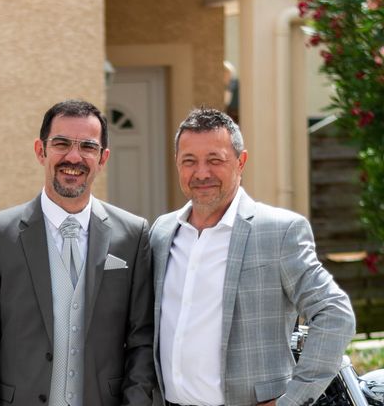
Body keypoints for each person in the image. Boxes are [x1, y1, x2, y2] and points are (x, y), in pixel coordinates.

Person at [150, 108, 355, 406]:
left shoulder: (279, 231)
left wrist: (293, 399)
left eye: (215, 160)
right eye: (189, 161)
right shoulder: (162, 231)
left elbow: (336, 313)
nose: (202, 173)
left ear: (240, 161)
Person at [0, 99, 155, 406]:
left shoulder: (133, 236)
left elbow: (141, 341)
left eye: (88, 147)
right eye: (62, 143)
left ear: (103, 157)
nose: (74, 157)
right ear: (41, 151)